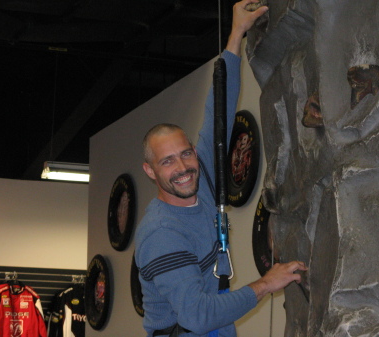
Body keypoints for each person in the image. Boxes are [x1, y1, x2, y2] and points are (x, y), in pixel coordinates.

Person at [134, 1, 307, 336]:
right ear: (150, 171)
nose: (183, 167)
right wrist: (266, 285)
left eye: (186, 154)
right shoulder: (161, 234)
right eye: (167, 161)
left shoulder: (203, 180)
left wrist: (236, 34)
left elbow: (219, 112)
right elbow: (197, 316)